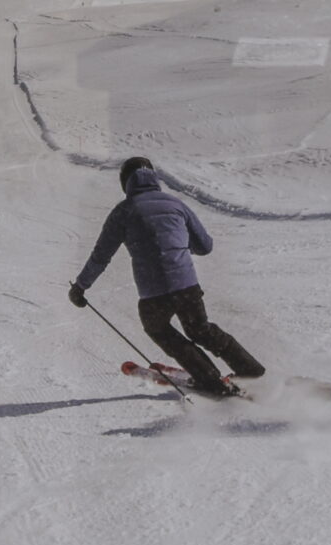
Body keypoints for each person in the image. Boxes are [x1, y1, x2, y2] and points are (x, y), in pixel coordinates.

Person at [71, 157, 263, 397]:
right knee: (200, 329)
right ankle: (250, 369)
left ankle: (209, 378)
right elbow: (205, 246)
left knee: (158, 328)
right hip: (186, 286)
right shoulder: (176, 204)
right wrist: (178, 247)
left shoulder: (123, 212)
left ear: (125, 182)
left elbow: (101, 256)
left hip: (154, 294)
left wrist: (80, 287)